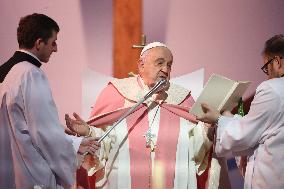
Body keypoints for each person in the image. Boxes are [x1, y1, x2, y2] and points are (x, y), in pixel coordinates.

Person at [66, 42, 230, 189]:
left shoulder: (182, 99)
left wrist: (207, 127)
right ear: (141, 65)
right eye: (160, 63)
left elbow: (195, 149)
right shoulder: (116, 93)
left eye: (169, 65)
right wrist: (88, 132)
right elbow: (105, 142)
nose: (165, 70)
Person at [0, 13, 100, 189]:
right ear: (39, 43)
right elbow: (42, 131)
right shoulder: (30, 74)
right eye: (53, 42)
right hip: (30, 176)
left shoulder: (5, 71)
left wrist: (64, 135)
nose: (55, 49)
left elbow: (20, 123)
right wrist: (76, 145)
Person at [197, 34, 284, 189]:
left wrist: (219, 118)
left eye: (266, 67)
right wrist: (231, 117)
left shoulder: (272, 89)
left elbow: (243, 136)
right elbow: (262, 130)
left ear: (277, 62)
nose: (268, 75)